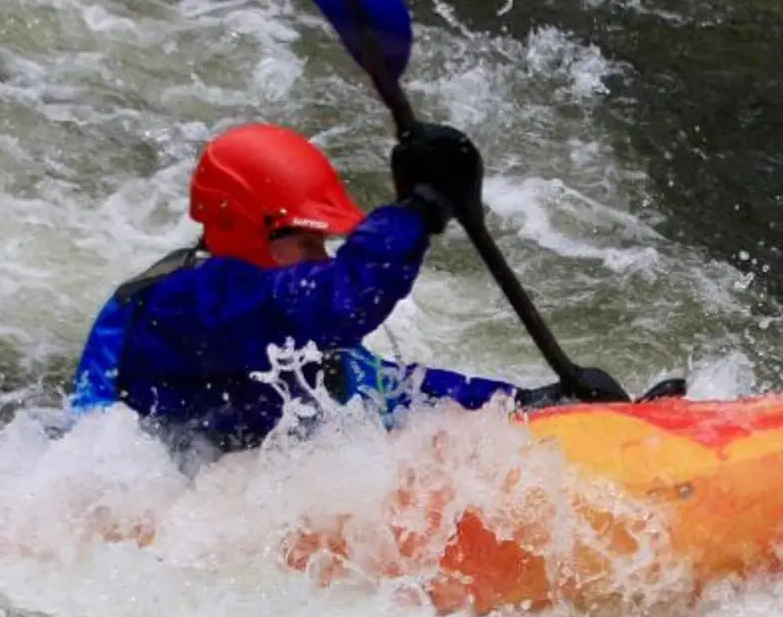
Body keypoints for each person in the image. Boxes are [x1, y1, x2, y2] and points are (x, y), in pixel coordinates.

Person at [70, 119, 623, 455]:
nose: (320, 257)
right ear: (243, 229)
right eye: (305, 242)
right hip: (144, 508)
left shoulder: (267, 320)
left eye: (322, 243)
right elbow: (342, 301)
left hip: (226, 474)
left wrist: (523, 406)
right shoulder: (195, 303)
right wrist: (419, 212)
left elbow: (377, 388)